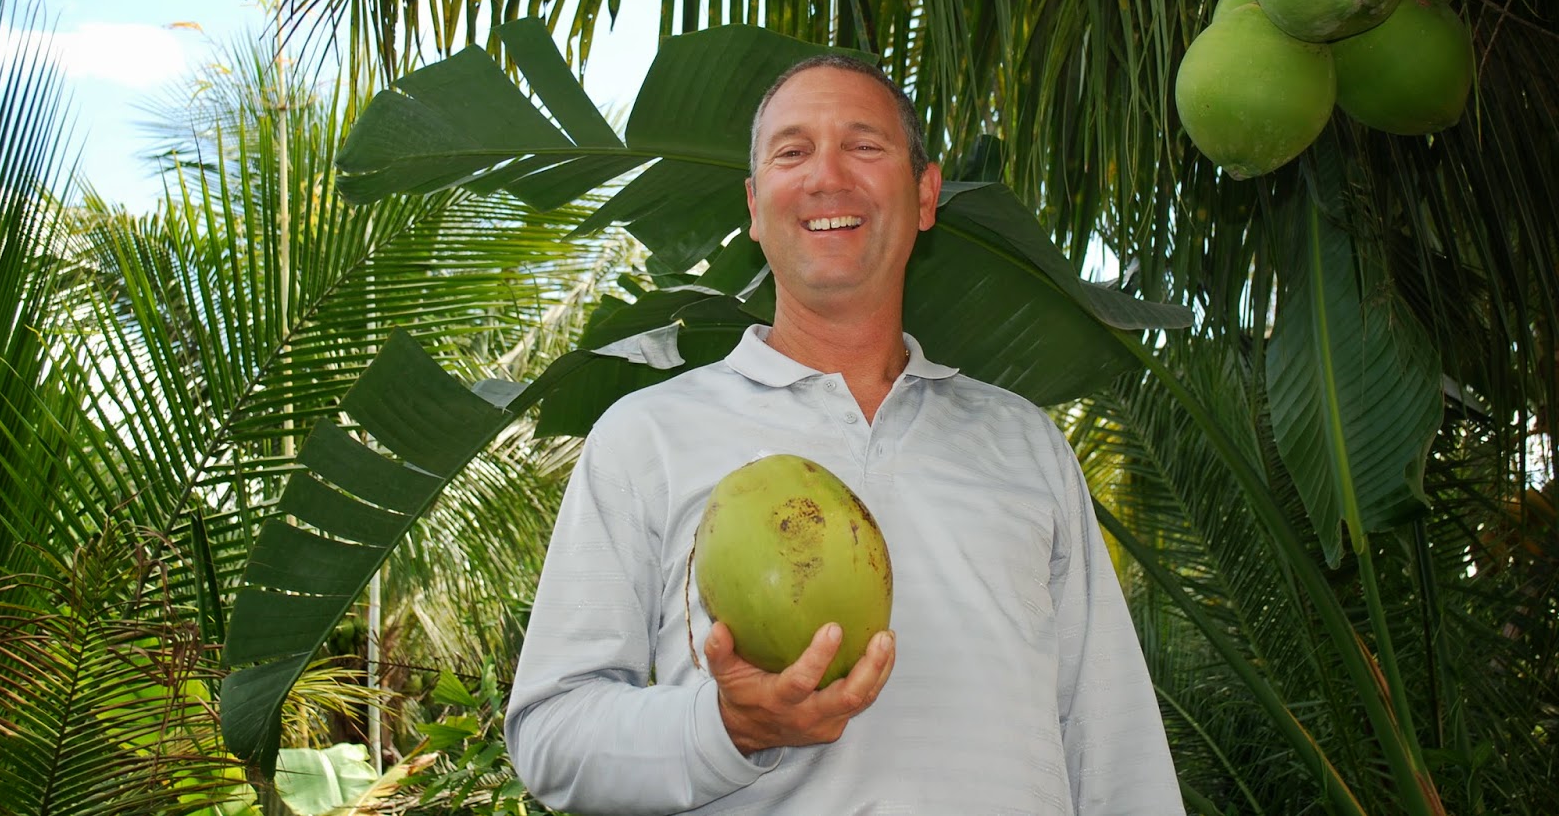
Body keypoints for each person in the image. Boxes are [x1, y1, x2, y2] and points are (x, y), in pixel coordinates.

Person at [505, 55, 1185, 815]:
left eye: (864, 146)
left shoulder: (1024, 442)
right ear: (756, 207)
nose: (827, 176)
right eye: (791, 153)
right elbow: (551, 732)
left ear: (925, 195)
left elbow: (1112, 739)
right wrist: (726, 727)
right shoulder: (646, 436)